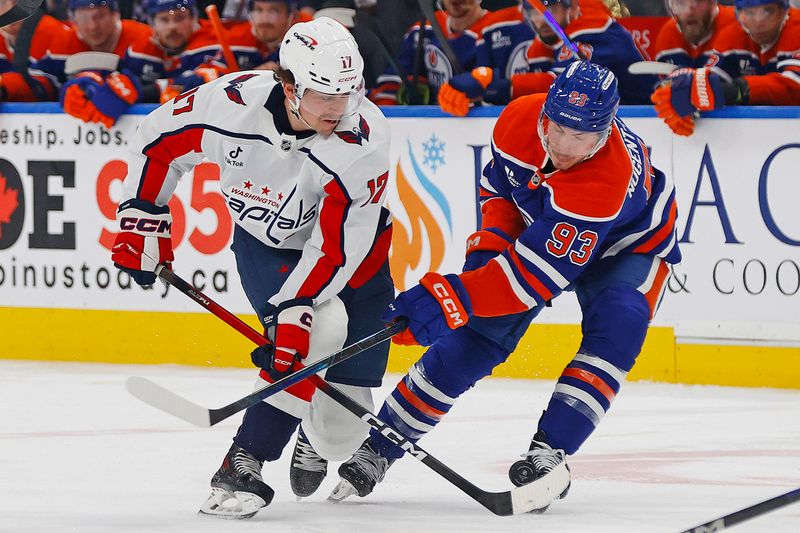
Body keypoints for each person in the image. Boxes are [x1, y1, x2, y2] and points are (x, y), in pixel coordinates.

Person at [330, 61, 680, 511]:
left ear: (606, 132)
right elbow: (500, 190)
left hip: (630, 244)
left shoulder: (603, 181)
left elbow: (531, 280)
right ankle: (380, 446)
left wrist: (455, 295)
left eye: (582, 137)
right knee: (476, 333)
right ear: (545, 115)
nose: (565, 146)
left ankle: (549, 450)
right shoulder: (517, 119)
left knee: (619, 328)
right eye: (557, 129)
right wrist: (483, 260)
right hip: (552, 225)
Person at [109, 17, 394, 519]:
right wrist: (143, 216)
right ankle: (246, 460)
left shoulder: (363, 138)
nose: (339, 109)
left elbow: (335, 250)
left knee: (340, 433)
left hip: (357, 257)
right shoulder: (229, 104)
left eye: (348, 94)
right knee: (320, 331)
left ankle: (311, 422)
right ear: (289, 87)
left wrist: (294, 307)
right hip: (267, 248)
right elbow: (157, 142)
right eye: (325, 96)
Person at [438, 0, 657, 116]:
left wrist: (494, 88)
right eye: (534, 11)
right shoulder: (543, 44)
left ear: (571, 6)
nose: (542, 20)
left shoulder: (592, 25)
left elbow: (563, 85)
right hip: (606, 125)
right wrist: (480, 89)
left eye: (550, 8)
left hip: (647, 123)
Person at [651, 0, 800, 136]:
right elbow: (708, 77)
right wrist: (684, 88)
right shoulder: (733, 33)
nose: (758, 21)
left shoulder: (796, 27)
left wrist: (736, 90)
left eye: (767, 11)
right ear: (739, 14)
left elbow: (794, 86)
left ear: (784, 11)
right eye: (750, 13)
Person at [369, 0, 495, 105]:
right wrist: (390, 116)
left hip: (478, 123)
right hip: (432, 123)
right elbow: (393, 79)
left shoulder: (497, 31)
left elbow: (498, 89)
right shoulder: (423, 31)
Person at [28, 0, 151, 101]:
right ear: (73, 20)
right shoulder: (65, 40)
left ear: (116, 15)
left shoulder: (142, 38)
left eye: (100, 16)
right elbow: (40, 80)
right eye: (84, 18)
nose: (93, 26)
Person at [0, 0, 69, 101]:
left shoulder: (58, 33)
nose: (12, 9)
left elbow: (47, 87)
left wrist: (4, 85)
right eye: (2, 2)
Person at [652, 0, 736, 68]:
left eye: (697, 1)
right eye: (681, 3)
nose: (689, 11)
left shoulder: (737, 25)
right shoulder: (668, 36)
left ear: (712, 3)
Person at [227, 0, 297, 71]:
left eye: (273, 11)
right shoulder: (234, 38)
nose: (265, 18)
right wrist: (253, 76)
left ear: (290, 16)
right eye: (258, 10)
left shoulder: (301, 40)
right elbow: (217, 76)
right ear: (250, 14)